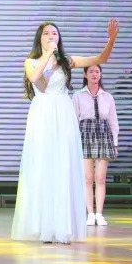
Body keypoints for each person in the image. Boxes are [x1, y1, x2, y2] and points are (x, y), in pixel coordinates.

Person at [12, 19, 119, 244]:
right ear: (40, 38)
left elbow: (101, 59)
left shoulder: (67, 61)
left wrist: (111, 40)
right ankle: (43, 227)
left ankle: (63, 227)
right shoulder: (31, 62)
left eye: (54, 33)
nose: (51, 36)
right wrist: (48, 55)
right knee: (43, 166)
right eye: (46, 33)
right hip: (42, 114)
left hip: (63, 112)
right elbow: (36, 80)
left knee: (63, 166)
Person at [72, 64, 119, 226]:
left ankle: (99, 214)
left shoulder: (107, 97)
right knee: (87, 178)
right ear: (85, 74)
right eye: (91, 71)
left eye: (97, 71)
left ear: (101, 74)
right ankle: (90, 214)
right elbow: (73, 121)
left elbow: (113, 122)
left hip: (103, 134)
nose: (94, 74)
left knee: (100, 178)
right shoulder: (78, 96)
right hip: (84, 134)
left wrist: (115, 143)